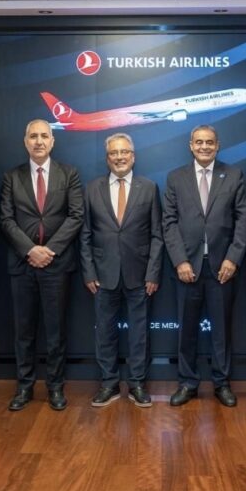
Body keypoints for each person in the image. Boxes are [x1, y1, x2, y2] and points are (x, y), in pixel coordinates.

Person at [163, 125, 246, 407]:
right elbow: (169, 223)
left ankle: (221, 383)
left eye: (209, 142)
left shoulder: (234, 175)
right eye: (199, 142)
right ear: (191, 145)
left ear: (217, 145)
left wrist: (233, 258)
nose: (204, 147)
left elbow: (243, 220)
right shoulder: (175, 177)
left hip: (222, 268)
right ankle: (187, 383)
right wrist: (180, 260)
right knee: (186, 331)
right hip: (187, 268)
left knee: (221, 331)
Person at [0, 119, 84, 411]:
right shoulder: (12, 176)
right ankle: (24, 387)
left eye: (44, 136)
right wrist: (29, 250)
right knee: (23, 331)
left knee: (55, 330)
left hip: (56, 264)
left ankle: (55, 387)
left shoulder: (69, 174)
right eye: (33, 136)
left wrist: (49, 250)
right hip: (22, 264)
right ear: (25, 142)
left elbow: (76, 215)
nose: (39, 141)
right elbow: (5, 219)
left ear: (52, 141)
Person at [80, 133, 163, 408]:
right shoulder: (92, 188)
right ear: (107, 159)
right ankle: (109, 383)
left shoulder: (148, 188)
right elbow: (85, 234)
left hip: (140, 274)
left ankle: (137, 383)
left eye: (124, 152)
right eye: (114, 153)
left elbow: (157, 235)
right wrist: (89, 272)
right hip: (103, 274)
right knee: (104, 331)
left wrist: (153, 273)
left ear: (133, 156)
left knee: (139, 333)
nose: (119, 157)